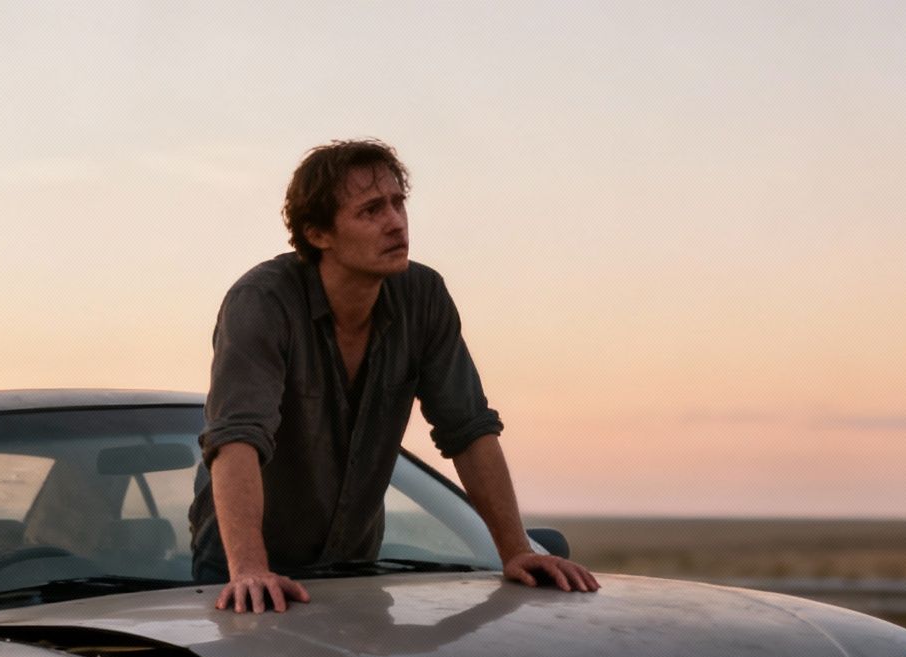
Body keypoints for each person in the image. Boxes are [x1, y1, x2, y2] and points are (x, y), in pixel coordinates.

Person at [188, 138, 600, 613]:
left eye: (398, 203)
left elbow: (468, 429)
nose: (395, 222)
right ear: (319, 233)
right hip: (244, 567)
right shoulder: (261, 303)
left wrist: (516, 549)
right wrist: (251, 569)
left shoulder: (423, 299)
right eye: (370, 211)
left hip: (352, 562)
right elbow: (237, 438)